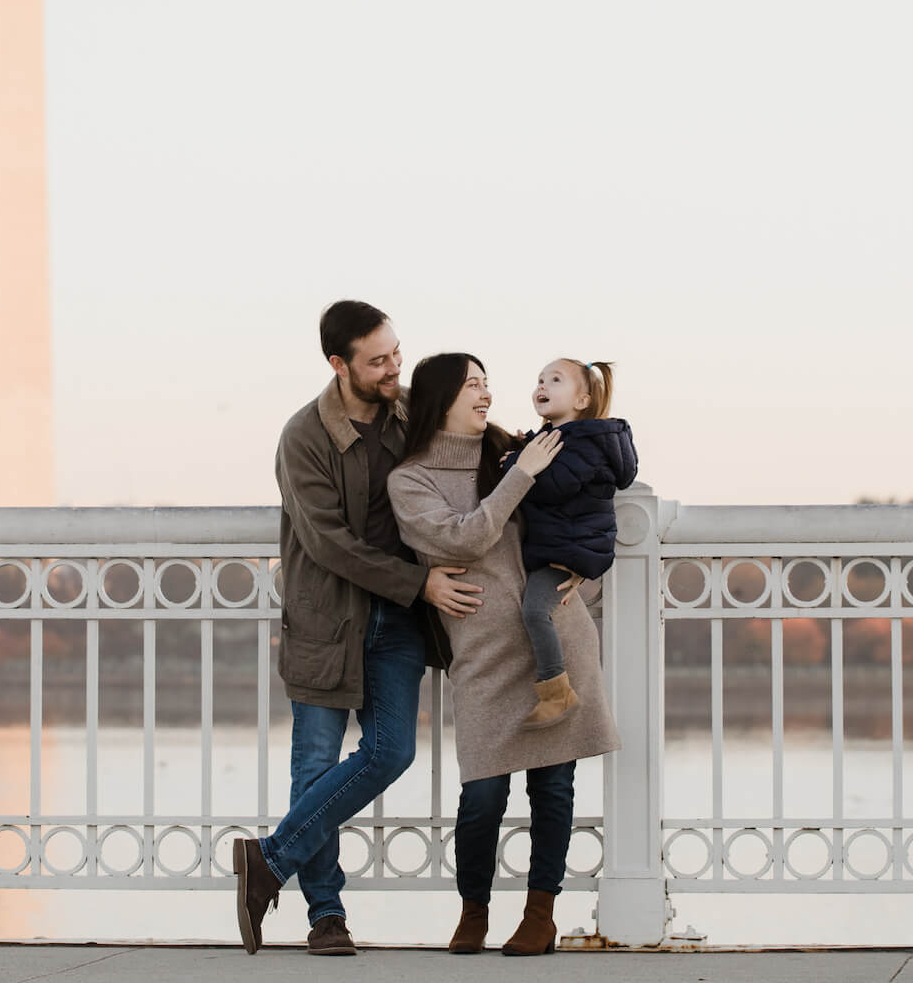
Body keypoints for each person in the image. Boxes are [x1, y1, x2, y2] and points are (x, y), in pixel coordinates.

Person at [231, 302, 481, 957]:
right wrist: (419, 582)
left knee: (392, 751)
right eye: (378, 360)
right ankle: (326, 916)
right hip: (326, 620)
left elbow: (469, 453)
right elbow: (327, 543)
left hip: (397, 621)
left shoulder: (409, 417)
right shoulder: (304, 435)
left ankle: (269, 858)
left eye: (396, 352)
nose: (394, 367)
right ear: (339, 364)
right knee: (314, 765)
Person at [386, 353, 621, 956]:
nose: (487, 394)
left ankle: (541, 914)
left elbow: (588, 506)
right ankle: (473, 912)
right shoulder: (411, 480)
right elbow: (465, 535)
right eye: (473, 385)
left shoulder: (522, 446)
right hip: (484, 652)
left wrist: (583, 574)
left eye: (488, 383)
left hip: (554, 642)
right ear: (440, 399)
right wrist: (520, 477)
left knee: (554, 786)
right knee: (483, 792)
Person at [504, 359, 637, 729]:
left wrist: (517, 464)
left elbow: (551, 486)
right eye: (539, 379)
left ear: (582, 399)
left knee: (534, 612)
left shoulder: (586, 443)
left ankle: (556, 690)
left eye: (555, 380)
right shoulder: (565, 439)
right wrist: (526, 446)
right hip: (564, 543)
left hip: (568, 550)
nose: (542, 386)